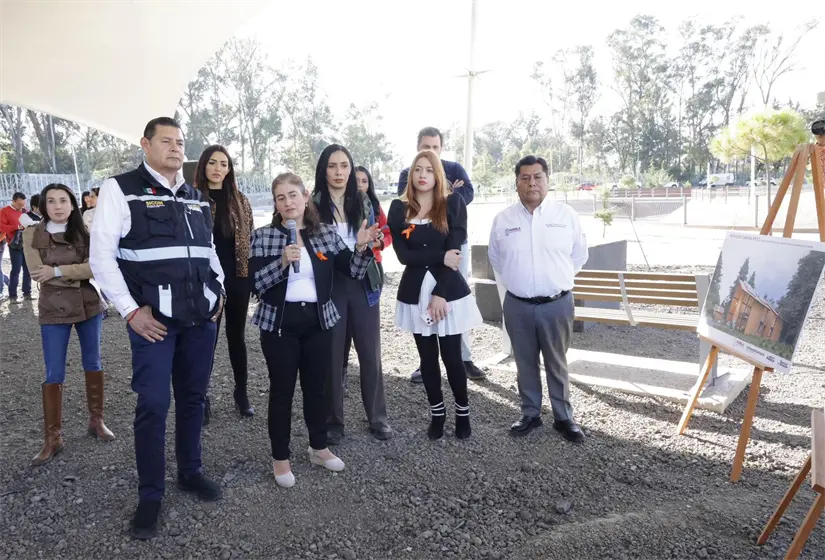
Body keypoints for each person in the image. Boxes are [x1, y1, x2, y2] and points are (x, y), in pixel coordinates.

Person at [90, 117, 225, 540]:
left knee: (192, 399)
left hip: (200, 322)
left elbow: (210, 251)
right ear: (146, 144)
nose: (175, 149)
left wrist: (218, 293)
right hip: (153, 323)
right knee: (152, 404)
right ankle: (151, 493)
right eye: (166, 141)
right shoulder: (121, 188)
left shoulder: (196, 196)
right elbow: (102, 258)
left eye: (181, 142)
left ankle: (191, 471)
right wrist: (131, 312)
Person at [250, 172, 380, 487]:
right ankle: (280, 459)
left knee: (317, 388)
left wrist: (362, 249)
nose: (288, 202)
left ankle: (318, 447)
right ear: (275, 204)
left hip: (319, 322)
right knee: (282, 391)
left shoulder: (324, 234)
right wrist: (281, 263)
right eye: (281, 198)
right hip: (279, 325)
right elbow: (257, 286)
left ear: (306, 196)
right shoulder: (263, 236)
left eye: (293, 195)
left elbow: (350, 270)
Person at [487, 156, 588, 443]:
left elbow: (578, 256)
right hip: (517, 304)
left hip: (556, 304)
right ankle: (530, 412)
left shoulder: (565, 216)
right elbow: (496, 259)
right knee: (524, 361)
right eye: (525, 177)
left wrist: (554, 281)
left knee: (557, 361)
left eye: (538, 177)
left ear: (547, 180)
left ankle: (563, 417)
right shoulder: (503, 220)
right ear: (516, 182)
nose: (532, 183)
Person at [388, 150, 483, 440]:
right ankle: (437, 414)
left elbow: (454, 256)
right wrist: (439, 256)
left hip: (447, 292)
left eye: (429, 170)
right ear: (411, 175)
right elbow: (404, 256)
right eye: (418, 169)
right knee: (427, 359)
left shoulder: (453, 204)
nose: (423, 175)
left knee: (452, 358)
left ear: (437, 174)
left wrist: (440, 293)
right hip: (416, 292)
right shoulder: (398, 209)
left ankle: (462, 414)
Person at [24, 184, 114, 466]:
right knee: (54, 372)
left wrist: (58, 270)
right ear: (42, 207)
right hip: (52, 308)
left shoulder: (84, 233)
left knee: (93, 363)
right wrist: (73, 273)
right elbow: (37, 273)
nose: (58, 206)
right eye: (51, 201)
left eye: (64, 200)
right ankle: (53, 437)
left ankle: (96, 421)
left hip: (88, 305)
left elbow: (95, 267)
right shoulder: (31, 234)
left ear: (73, 205)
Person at [313, 144, 393, 444]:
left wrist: (369, 244)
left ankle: (378, 417)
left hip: (363, 283)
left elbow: (376, 239)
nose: (339, 172)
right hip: (333, 285)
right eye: (332, 166)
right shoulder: (314, 204)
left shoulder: (362, 201)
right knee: (333, 356)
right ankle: (333, 421)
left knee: (370, 354)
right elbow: (317, 249)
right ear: (324, 169)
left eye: (344, 166)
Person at [397, 126, 485, 383]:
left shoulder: (455, 168)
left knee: (454, 299)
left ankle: (463, 358)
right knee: (425, 302)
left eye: (435, 147)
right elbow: (410, 201)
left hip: (454, 244)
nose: (430, 152)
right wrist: (445, 192)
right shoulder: (408, 173)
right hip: (423, 250)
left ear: (441, 148)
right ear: (417, 147)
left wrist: (448, 195)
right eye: (425, 146)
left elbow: (466, 194)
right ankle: (425, 363)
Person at [194, 145, 255, 422]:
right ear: (204, 166)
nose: (218, 168)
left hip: (238, 278)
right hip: (206, 281)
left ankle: (241, 393)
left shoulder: (240, 200)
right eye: (213, 163)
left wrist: (251, 276)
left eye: (224, 164)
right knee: (207, 338)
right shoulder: (193, 198)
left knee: (236, 338)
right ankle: (201, 396)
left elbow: (249, 241)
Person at [341, 166, 392, 389]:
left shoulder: (375, 207)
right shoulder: (343, 207)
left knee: (367, 336)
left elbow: (389, 234)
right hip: (346, 270)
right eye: (357, 180)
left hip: (371, 270)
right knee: (342, 334)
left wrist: (377, 242)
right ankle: (341, 371)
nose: (361, 184)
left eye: (364, 181)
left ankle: (372, 394)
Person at [0, 192, 32, 302]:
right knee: (16, 270)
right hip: (14, 245)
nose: (21, 207)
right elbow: (2, 226)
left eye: (23, 205)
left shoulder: (25, 211)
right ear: (13, 201)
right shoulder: (4, 211)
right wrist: (16, 227)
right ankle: (13, 295)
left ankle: (27, 293)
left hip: (26, 244)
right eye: (19, 205)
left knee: (27, 269)